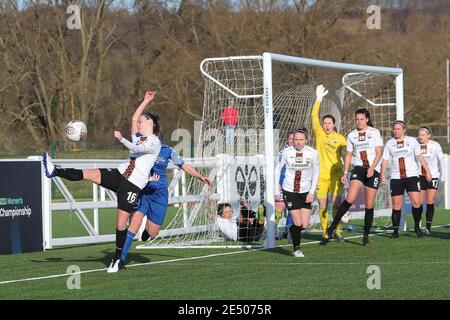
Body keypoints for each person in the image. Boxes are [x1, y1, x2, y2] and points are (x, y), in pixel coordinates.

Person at [42, 91, 161, 272]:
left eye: (142, 120)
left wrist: (122, 139)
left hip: (132, 185)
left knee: (120, 224)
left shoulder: (154, 142)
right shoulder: (140, 136)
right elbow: (134, 117)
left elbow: (136, 147)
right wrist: (145, 101)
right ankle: (54, 170)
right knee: (89, 173)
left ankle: (116, 260)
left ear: (150, 123)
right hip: (119, 174)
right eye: (139, 121)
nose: (138, 122)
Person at [116, 144, 212, 270]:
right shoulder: (141, 147)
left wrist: (199, 176)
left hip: (159, 195)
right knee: (134, 223)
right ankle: (120, 260)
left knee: (153, 232)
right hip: (143, 191)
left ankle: (147, 231)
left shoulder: (167, 151)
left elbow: (183, 165)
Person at [321, 108, 383, 246]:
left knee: (369, 204)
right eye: (357, 119)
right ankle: (331, 229)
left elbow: (379, 152)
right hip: (359, 168)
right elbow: (348, 155)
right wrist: (345, 173)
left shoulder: (374, 132)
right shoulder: (351, 135)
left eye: (362, 119)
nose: (359, 122)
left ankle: (365, 237)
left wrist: (372, 169)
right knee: (349, 198)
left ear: (367, 119)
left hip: (373, 169)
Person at [380, 121, 433, 238]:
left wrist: (428, 171)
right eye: (394, 129)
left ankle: (417, 227)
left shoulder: (412, 141)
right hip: (396, 177)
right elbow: (385, 160)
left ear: (404, 130)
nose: (396, 131)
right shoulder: (390, 143)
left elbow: (420, 157)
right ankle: (395, 231)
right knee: (396, 204)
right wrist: (382, 174)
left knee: (417, 202)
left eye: (398, 129)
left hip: (412, 176)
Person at [275, 127, 320, 257]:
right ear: (292, 140)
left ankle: (291, 230)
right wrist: (276, 189)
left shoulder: (312, 153)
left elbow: (316, 172)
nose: (298, 142)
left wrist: (312, 192)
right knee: (298, 222)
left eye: (301, 139)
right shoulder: (286, 152)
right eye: (296, 140)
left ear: (306, 140)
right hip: (289, 190)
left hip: (306, 191)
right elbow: (277, 169)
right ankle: (297, 249)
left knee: (304, 225)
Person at [311, 85, 347, 241]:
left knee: (336, 204)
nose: (326, 125)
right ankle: (325, 232)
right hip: (321, 175)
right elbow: (313, 116)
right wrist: (318, 100)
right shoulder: (319, 133)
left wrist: (347, 172)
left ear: (334, 125)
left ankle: (337, 230)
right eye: (324, 123)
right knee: (323, 206)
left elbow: (346, 156)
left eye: (329, 123)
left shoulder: (340, 138)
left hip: (337, 174)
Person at [417, 126, 447, 235]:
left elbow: (441, 159)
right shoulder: (415, 145)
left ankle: (428, 227)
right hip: (419, 176)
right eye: (419, 135)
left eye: (423, 135)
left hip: (433, 176)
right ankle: (418, 225)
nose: (420, 137)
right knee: (418, 202)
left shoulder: (435, 145)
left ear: (429, 135)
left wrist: (443, 175)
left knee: (430, 202)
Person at [275, 130, 294, 239]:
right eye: (290, 138)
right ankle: (273, 230)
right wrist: (277, 184)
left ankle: (288, 231)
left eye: (294, 138)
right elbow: (276, 168)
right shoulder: (283, 152)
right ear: (287, 139)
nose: (292, 141)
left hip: (293, 183)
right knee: (280, 207)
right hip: (282, 182)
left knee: (293, 208)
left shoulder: (298, 150)